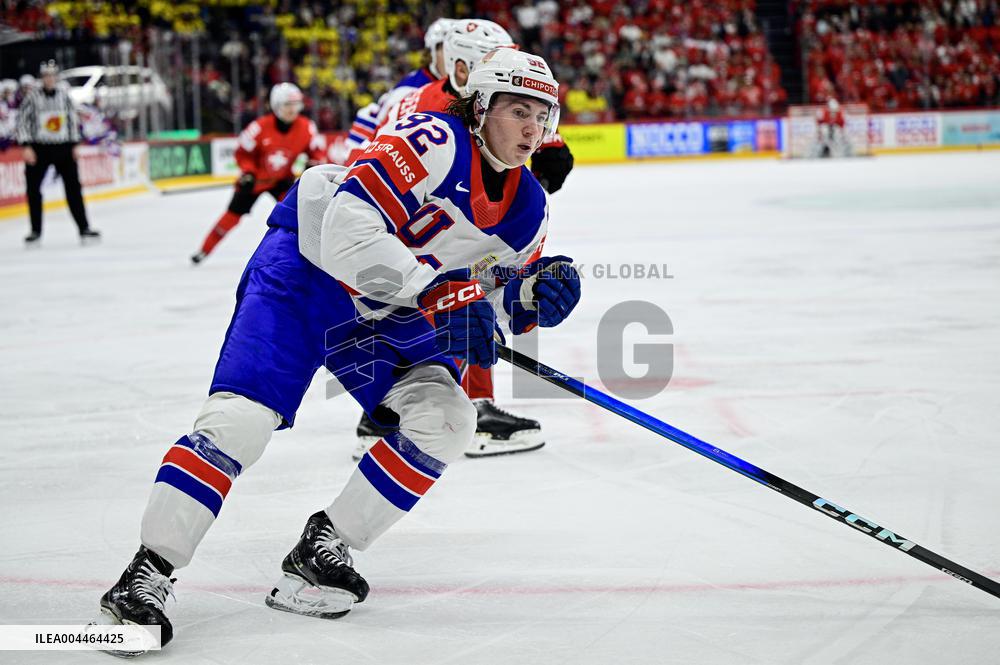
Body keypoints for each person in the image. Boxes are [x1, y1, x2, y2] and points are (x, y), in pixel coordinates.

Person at [97, 47, 580, 656]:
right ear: (479, 107)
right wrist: (446, 296)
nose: (533, 128)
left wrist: (534, 293)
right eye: (518, 110)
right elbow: (349, 232)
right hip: (305, 275)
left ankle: (321, 548)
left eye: (543, 113)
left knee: (447, 420)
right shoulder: (433, 137)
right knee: (239, 422)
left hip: (389, 309)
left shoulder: (531, 208)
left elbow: (496, 293)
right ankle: (146, 574)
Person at [351, 20, 575, 460]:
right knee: (466, 286)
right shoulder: (439, 112)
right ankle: (465, 406)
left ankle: (380, 411)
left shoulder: (418, 95)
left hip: (400, 225)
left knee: (465, 292)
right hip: (403, 222)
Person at [191, 83, 325, 264]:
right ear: (276, 106)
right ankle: (204, 250)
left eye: (297, 105)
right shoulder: (259, 128)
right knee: (232, 216)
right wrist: (248, 172)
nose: (293, 110)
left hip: (282, 179)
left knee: (297, 214)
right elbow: (242, 153)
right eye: (288, 105)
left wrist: (313, 164)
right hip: (255, 180)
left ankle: (307, 254)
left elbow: (317, 151)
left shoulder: (307, 127)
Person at [16, 60, 99, 247]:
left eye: (52, 75)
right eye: (46, 76)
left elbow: (72, 120)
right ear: (41, 78)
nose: (49, 79)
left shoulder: (64, 95)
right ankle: (35, 231)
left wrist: (75, 143)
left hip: (63, 147)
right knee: (33, 190)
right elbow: (22, 121)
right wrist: (26, 145)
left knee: (73, 189)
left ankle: (84, 227)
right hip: (40, 148)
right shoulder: (32, 97)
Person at [344, 17, 453, 155]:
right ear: (431, 53)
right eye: (446, 51)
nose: (452, 60)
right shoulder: (411, 90)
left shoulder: (434, 82)